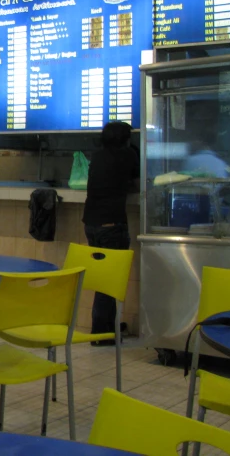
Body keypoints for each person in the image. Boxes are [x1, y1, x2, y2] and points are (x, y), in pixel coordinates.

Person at [82, 121, 140, 342]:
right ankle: (102, 332)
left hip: (91, 223)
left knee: (101, 278)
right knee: (110, 280)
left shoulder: (97, 155)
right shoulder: (127, 156)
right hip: (112, 224)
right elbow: (137, 183)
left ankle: (107, 327)